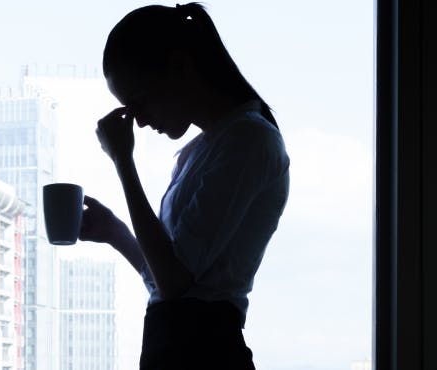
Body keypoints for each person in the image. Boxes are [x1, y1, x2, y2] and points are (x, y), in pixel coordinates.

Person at [79, 3, 290, 369]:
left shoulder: (248, 141)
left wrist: (123, 163)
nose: (140, 121)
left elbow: (175, 284)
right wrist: (114, 231)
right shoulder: (203, 150)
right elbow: (168, 280)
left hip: (201, 351)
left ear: (180, 66)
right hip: (190, 346)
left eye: (139, 102)